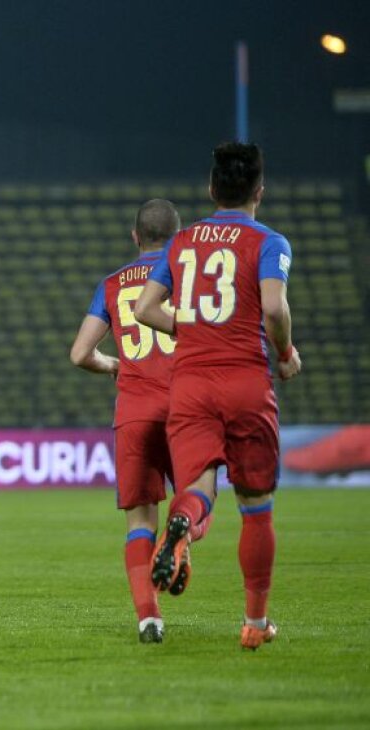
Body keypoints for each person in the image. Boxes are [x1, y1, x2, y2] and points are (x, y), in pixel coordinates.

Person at [134, 142, 302, 650]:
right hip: (246, 381)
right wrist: (287, 352)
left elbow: (145, 308)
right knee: (256, 507)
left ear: (211, 189)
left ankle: (181, 523)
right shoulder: (270, 242)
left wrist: (191, 328)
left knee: (199, 487)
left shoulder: (181, 242)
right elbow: (273, 307)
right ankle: (254, 623)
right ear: (259, 192)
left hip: (190, 383)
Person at [70, 199, 212, 644]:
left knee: (138, 524)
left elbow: (79, 354)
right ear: (179, 236)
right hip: (185, 406)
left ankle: (149, 619)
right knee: (198, 498)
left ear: (135, 237)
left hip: (133, 412)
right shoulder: (188, 281)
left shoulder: (111, 285)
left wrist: (114, 365)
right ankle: (182, 538)